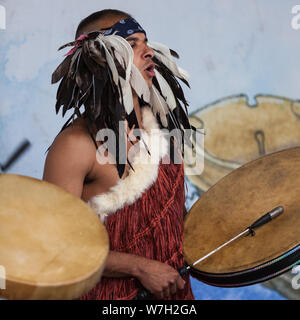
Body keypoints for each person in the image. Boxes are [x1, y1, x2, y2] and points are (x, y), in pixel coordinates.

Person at [43, 9, 195, 300]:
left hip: (174, 293)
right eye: (133, 44)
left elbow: (170, 217)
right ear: (102, 59)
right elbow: (57, 243)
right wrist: (140, 268)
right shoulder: (76, 144)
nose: (149, 52)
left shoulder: (164, 131)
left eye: (147, 42)